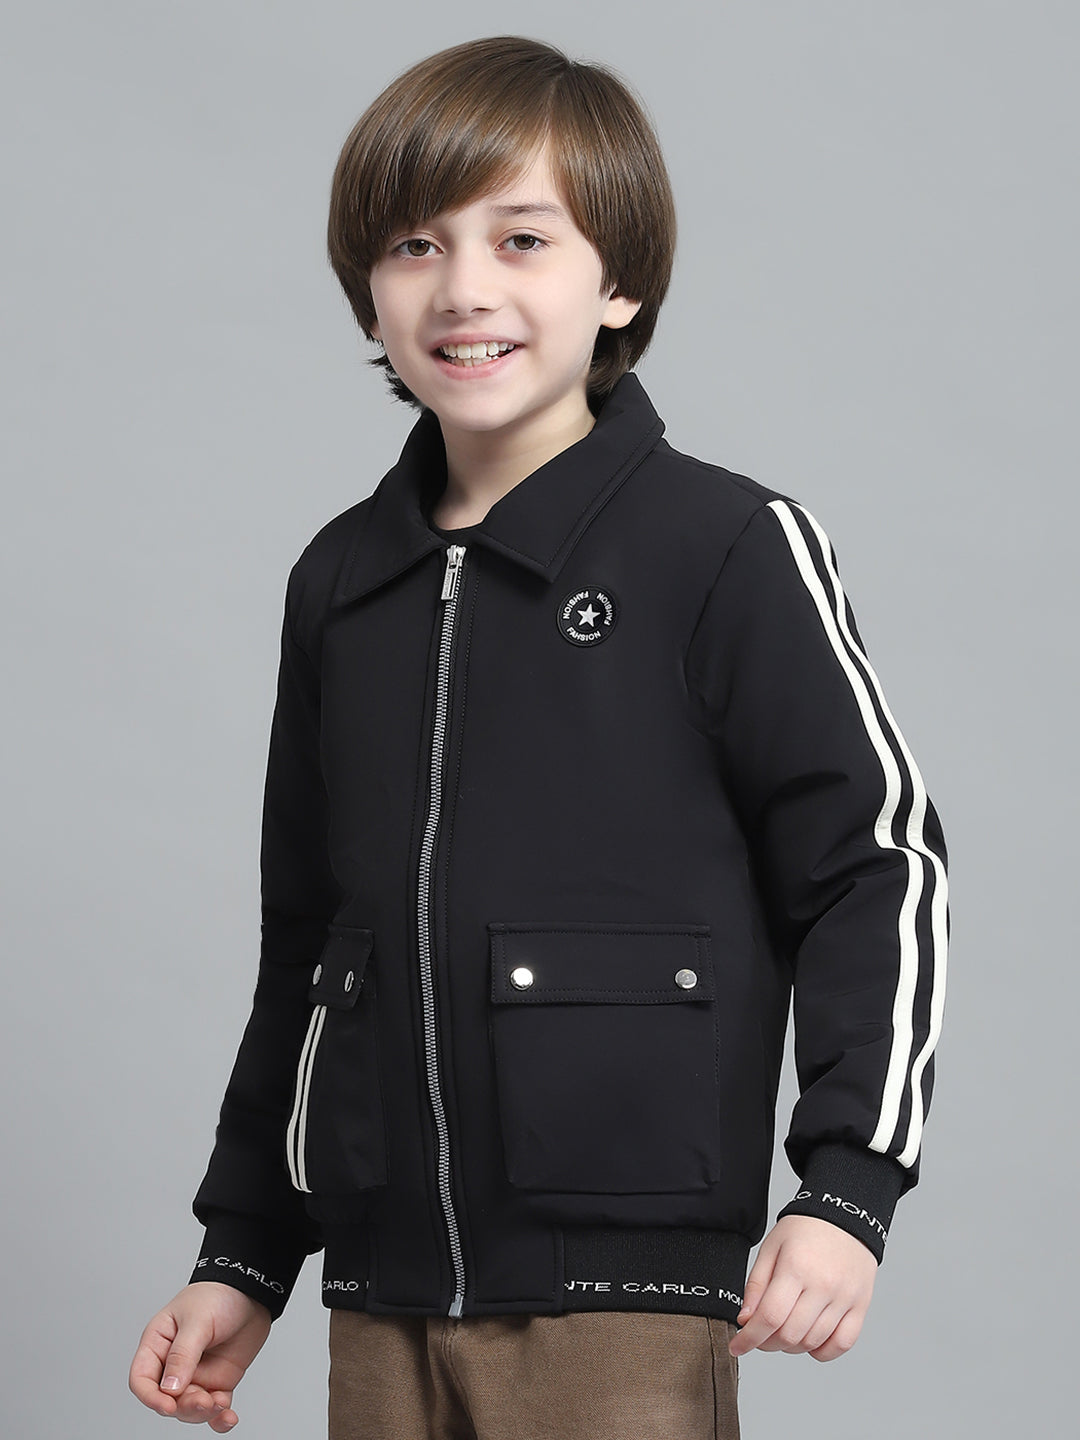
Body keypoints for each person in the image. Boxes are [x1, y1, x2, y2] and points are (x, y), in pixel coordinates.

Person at [128, 34, 949, 1440]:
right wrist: (245, 1250)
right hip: (383, 1297)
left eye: (522, 239)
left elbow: (879, 866)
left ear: (617, 280)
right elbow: (308, 944)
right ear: (370, 289)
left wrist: (847, 1187)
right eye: (414, 244)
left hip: (622, 1303)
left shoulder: (725, 549)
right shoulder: (341, 583)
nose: (463, 288)